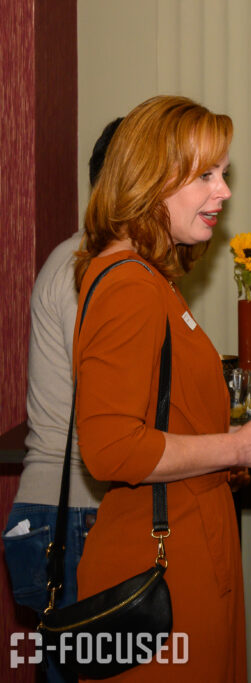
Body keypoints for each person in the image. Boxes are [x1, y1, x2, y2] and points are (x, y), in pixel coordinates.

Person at [72, 95, 251, 681]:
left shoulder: (142, 277)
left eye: (223, 174)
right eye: (206, 175)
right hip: (158, 568)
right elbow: (111, 449)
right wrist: (240, 447)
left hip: (180, 547)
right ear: (149, 179)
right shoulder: (129, 286)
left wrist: (230, 445)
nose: (224, 192)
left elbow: (165, 419)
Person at [2, 117, 122, 683]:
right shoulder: (89, 268)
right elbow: (115, 404)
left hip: (76, 511)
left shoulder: (102, 263)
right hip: (73, 513)